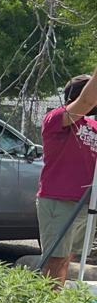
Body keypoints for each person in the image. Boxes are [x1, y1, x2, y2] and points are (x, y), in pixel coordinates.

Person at [37, 73, 97, 285]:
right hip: (59, 199)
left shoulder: (92, 125)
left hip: (86, 202)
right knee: (55, 260)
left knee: (67, 259)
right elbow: (87, 101)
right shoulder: (57, 117)